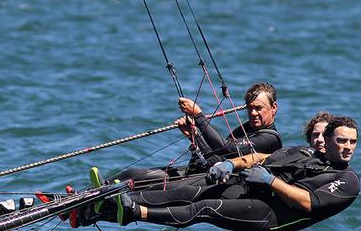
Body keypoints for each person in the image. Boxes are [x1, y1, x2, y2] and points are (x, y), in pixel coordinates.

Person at [75, 116, 359, 231]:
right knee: (191, 190)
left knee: (206, 208)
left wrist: (271, 182)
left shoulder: (347, 180)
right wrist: (229, 164)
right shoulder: (303, 152)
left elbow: (309, 203)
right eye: (341, 140)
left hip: (271, 218)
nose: (347, 147)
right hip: (253, 194)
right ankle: (92, 209)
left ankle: (135, 211)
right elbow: (261, 159)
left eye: (352, 142)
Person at [109, 82, 284, 191]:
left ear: (273, 107)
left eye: (258, 108)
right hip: (203, 174)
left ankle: (107, 201)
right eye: (249, 107)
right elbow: (217, 157)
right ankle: (98, 190)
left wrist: (199, 117)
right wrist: (194, 136)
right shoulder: (246, 128)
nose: (253, 113)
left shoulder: (270, 139)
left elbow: (227, 150)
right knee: (135, 173)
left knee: (152, 188)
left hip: (222, 187)